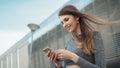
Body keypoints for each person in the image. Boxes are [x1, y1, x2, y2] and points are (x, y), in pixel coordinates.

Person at [47, 5, 118, 68]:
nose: (64, 25)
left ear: (77, 17)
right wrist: (57, 63)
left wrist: (72, 56)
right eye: (62, 22)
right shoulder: (68, 44)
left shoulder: (94, 36)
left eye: (66, 20)